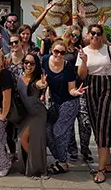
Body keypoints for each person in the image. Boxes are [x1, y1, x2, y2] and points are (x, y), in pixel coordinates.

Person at [77, 24, 111, 184]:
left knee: (104, 125)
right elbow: (82, 76)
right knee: (97, 126)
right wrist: (84, 61)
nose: (95, 36)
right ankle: (108, 162)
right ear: (88, 35)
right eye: (93, 33)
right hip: (91, 88)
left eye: (98, 33)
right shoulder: (84, 51)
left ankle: (101, 169)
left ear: (102, 35)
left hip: (108, 87)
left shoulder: (109, 50)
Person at [43, 39, 86, 174]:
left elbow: (71, 89)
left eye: (62, 52)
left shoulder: (68, 67)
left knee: (59, 131)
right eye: (56, 51)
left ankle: (63, 163)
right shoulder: (45, 60)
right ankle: (60, 158)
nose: (59, 55)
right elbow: (42, 78)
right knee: (47, 129)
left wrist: (76, 92)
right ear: (52, 50)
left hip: (69, 102)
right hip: (55, 102)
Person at [16, 52, 49, 180]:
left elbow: (39, 84)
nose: (28, 65)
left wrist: (42, 84)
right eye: (26, 62)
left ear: (36, 65)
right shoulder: (19, 76)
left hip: (38, 114)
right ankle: (31, 166)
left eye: (32, 63)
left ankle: (37, 169)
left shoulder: (36, 79)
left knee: (26, 140)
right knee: (23, 140)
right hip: (26, 114)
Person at [65, 25, 93, 163]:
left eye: (77, 35)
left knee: (85, 121)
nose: (75, 38)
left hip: (81, 87)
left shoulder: (84, 49)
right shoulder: (63, 49)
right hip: (67, 90)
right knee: (69, 122)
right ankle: (72, 150)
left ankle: (85, 149)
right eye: (73, 35)